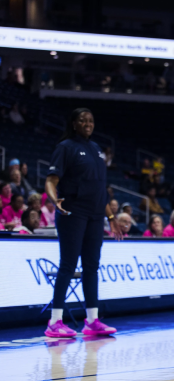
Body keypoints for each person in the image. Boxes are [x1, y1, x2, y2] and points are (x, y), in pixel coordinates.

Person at [44, 107, 122, 339]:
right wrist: (53, 198)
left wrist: (111, 217)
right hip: (73, 212)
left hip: (96, 216)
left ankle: (92, 321)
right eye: (82, 120)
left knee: (92, 267)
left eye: (90, 120)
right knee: (68, 265)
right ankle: (55, 322)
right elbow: (51, 179)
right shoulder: (65, 147)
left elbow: (99, 191)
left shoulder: (97, 149)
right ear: (74, 124)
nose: (87, 123)